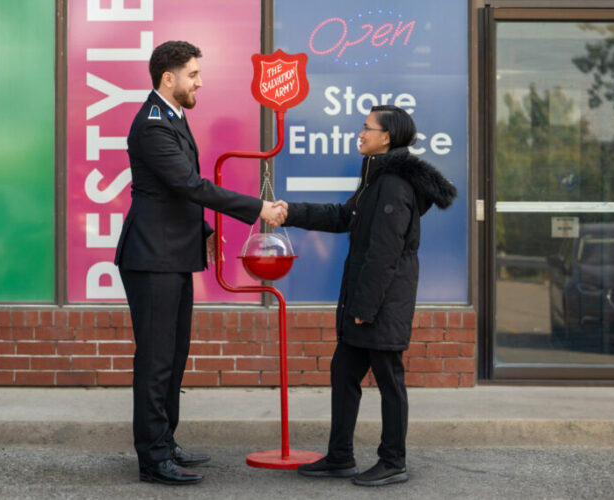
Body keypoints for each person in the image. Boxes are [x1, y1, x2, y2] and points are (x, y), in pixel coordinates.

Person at [114, 40, 287, 486]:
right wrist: (258, 209)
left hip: (171, 252)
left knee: (174, 354)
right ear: (168, 79)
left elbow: (172, 192)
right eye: (193, 74)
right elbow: (191, 185)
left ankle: (165, 441)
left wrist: (204, 231)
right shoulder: (152, 124)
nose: (200, 82)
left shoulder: (172, 116)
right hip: (152, 258)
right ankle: (153, 459)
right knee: (155, 360)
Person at [279, 105, 456, 486]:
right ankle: (340, 457)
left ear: (387, 137)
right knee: (343, 373)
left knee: (389, 380)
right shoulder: (376, 178)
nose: (359, 133)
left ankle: (393, 461)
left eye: (366, 128)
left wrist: (363, 308)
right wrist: (289, 212)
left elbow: (384, 253)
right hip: (368, 302)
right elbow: (342, 217)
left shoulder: (393, 185)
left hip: (380, 304)